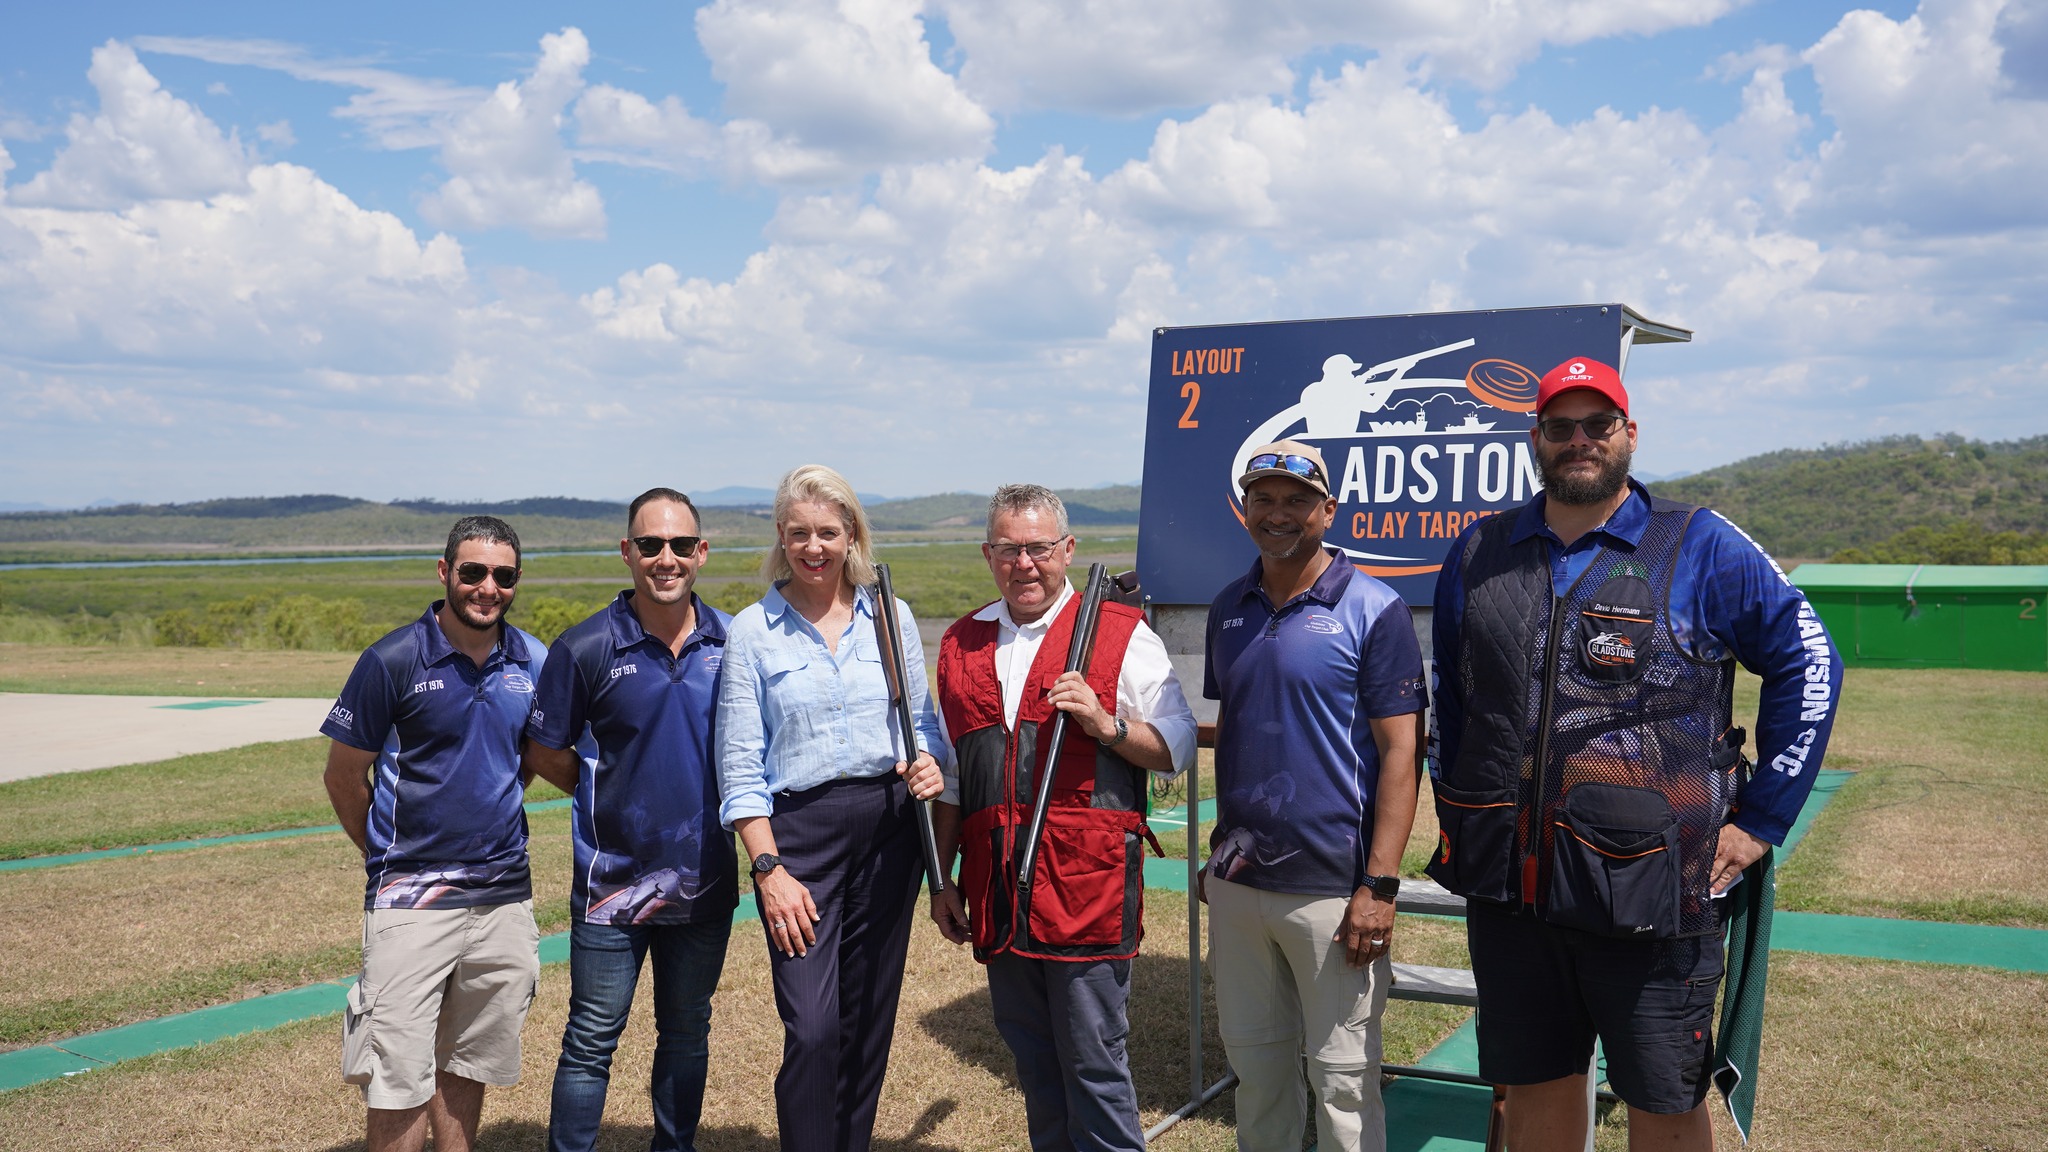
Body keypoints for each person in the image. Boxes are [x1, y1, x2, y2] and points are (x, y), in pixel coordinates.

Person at [1428, 356, 1842, 1152]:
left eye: (1598, 425)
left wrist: (1761, 820)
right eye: (1560, 427)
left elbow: (1810, 660)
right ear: (1536, 438)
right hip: (1514, 893)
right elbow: (1456, 700)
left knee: (1663, 1099)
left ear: (1629, 435)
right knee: (1536, 1086)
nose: (1579, 441)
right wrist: (1461, 812)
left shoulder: (1697, 544)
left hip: (1657, 884)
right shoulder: (1480, 552)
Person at [927, 484, 1198, 1152]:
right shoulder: (962, 642)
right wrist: (944, 880)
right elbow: (958, 777)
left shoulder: (1117, 632)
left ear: (1067, 550)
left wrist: (1108, 726)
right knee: (1037, 1075)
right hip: (998, 895)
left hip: (1086, 892)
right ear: (989, 554)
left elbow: (1178, 746)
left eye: (1040, 549)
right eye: (1010, 550)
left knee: (1094, 1072)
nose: (1026, 564)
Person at [1201, 441, 1428, 1152]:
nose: (1278, 514)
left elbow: (1402, 752)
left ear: (1327, 510)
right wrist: (1219, 853)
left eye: (1296, 500)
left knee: (1342, 1083)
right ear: (1244, 512)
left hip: (1333, 890)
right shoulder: (1227, 608)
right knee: (1257, 1069)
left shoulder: (1374, 607)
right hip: (1239, 884)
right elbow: (1238, 729)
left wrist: (1379, 886)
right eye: (1263, 499)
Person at [716, 464, 948, 1152]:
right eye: (798, 534)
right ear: (780, 539)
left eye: (827, 532)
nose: (813, 547)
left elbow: (922, 725)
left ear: (852, 534)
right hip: (798, 837)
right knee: (813, 1028)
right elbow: (738, 764)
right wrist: (768, 868)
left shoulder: (891, 615)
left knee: (867, 1019)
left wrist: (931, 763)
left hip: (888, 829)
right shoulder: (753, 631)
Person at [320, 515, 546, 1152]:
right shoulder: (392, 659)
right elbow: (343, 777)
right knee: (397, 1072)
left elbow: (528, 757)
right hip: (410, 903)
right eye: (472, 572)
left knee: (470, 1061)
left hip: (504, 897)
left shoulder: (534, 660)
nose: (487, 588)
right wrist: (383, 856)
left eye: (503, 576)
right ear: (445, 572)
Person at [524, 487, 737, 1152]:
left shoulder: (734, 641)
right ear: (627, 552)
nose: (665, 558)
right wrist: (606, 792)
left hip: (705, 882)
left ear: (701, 553)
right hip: (610, 885)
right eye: (650, 545)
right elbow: (545, 750)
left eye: (679, 545)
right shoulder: (585, 646)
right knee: (591, 1038)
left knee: (687, 1031)